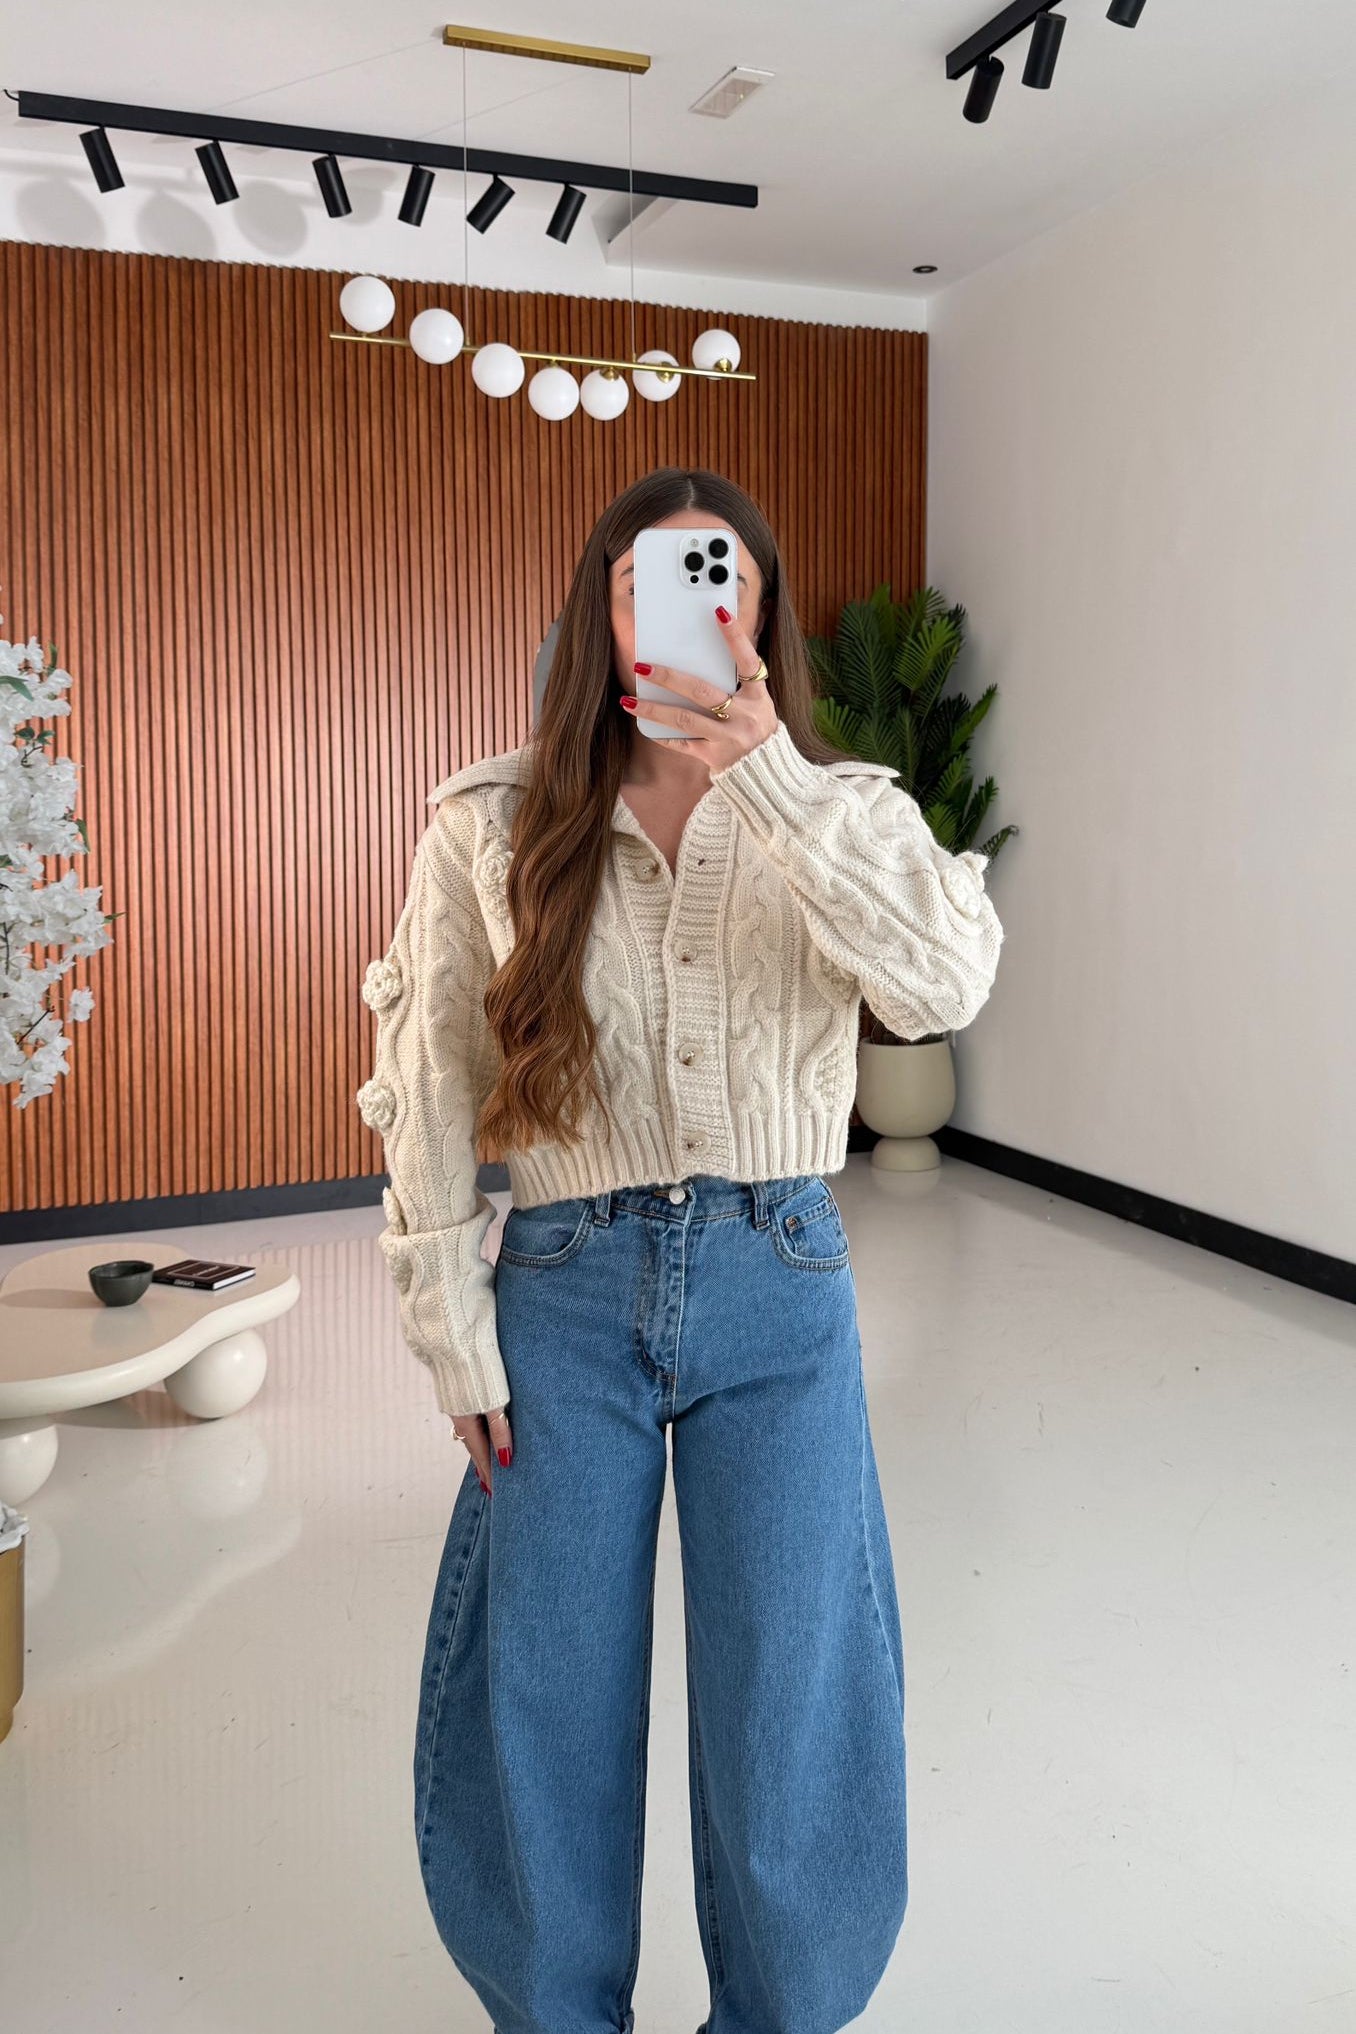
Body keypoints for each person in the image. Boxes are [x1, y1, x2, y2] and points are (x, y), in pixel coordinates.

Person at [356, 465, 1005, 2034]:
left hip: (780, 1280)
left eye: (724, 579)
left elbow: (943, 985)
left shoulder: (841, 810)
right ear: (605, 608)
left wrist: (769, 778)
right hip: (559, 1288)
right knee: (547, 1687)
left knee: (793, 1691)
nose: (689, 608)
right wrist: (449, 1321)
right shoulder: (492, 818)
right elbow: (428, 1072)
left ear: (760, 611)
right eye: (650, 578)